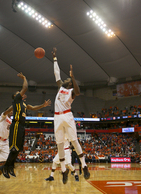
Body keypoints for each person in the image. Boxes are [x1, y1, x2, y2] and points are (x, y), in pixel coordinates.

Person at [0, 72, 51, 178]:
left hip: (22, 127)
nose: (20, 93)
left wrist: (43, 105)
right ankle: (5, 167)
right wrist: (24, 78)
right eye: (19, 92)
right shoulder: (17, 100)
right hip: (16, 125)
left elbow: (33, 107)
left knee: (18, 149)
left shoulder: (23, 104)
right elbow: (25, 87)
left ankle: (11, 167)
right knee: (13, 148)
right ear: (16, 96)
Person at [52, 47, 90, 184]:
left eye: (68, 79)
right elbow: (56, 74)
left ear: (70, 84)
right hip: (57, 117)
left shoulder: (71, 92)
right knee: (60, 144)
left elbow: (78, 92)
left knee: (74, 141)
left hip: (67, 116)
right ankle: (63, 171)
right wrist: (54, 58)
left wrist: (73, 77)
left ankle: (84, 166)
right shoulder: (60, 87)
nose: (65, 79)